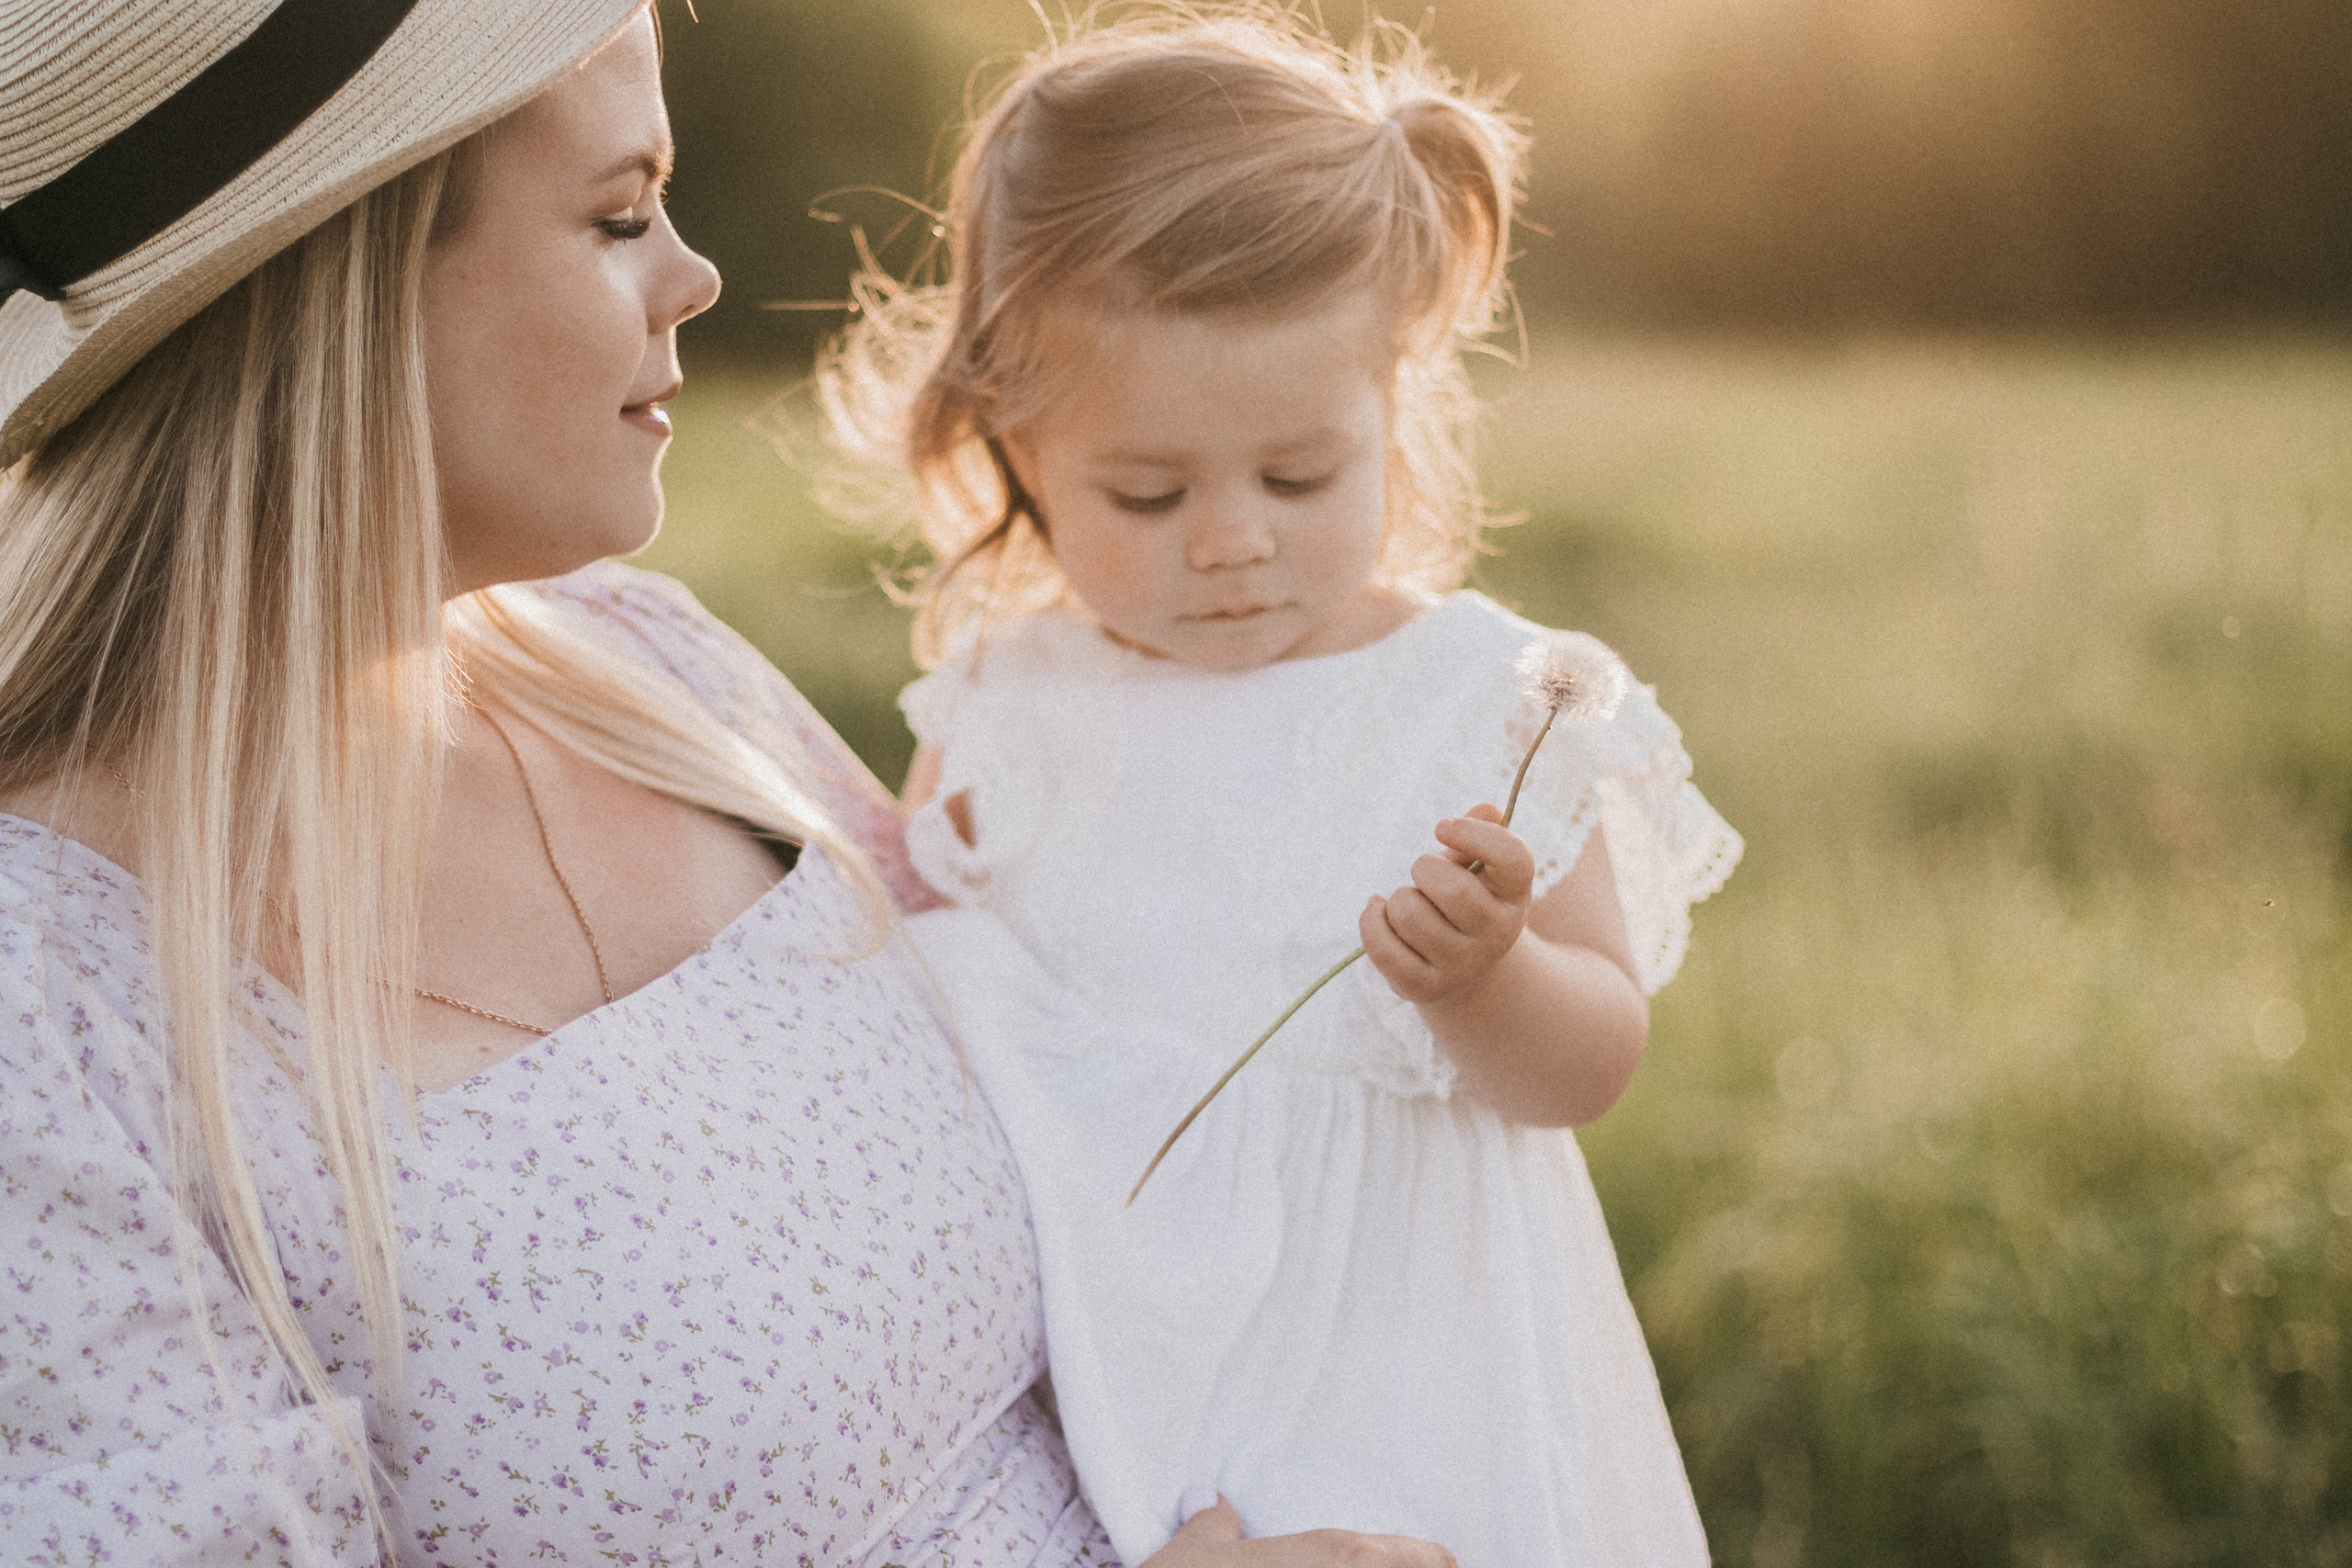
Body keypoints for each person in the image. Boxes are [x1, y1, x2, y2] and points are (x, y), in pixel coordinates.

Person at [0, 5, 1456, 1563]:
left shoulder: (657, 671)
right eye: (620, 214)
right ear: (335, 295)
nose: (694, 275)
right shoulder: (54, 1003)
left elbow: (1101, 1082)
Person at [820, 12, 1745, 1565]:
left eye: (1300, 475)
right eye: (1150, 490)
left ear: (1396, 393)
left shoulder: (1476, 704)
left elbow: (1587, 1066)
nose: (1231, 537)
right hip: (1119, 1382)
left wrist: (1489, 977)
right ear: (1018, 444)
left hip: (1413, 1383)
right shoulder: (1004, 706)